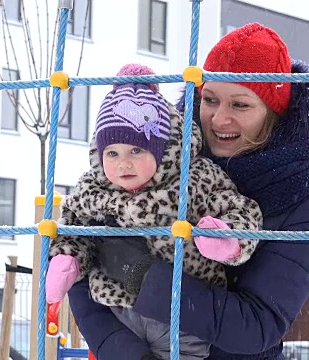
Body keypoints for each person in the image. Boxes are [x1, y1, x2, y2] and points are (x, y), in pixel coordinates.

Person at [67, 22, 309, 359]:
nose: (217, 119)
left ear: (274, 111)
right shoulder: (157, 156)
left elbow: (258, 325)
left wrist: (137, 275)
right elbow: (83, 271)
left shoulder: (298, 193)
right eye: (209, 99)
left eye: (240, 105)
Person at [45, 63, 263, 359]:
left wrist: (227, 239)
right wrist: (67, 259)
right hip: (118, 311)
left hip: (183, 318)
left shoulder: (192, 179)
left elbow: (239, 208)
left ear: (161, 151)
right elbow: (75, 227)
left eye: (136, 151)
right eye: (113, 153)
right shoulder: (93, 188)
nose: (124, 163)